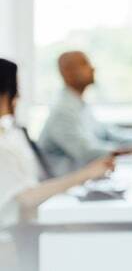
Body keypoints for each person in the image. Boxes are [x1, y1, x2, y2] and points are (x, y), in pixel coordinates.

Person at [0, 58, 114, 270]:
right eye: (16, 87)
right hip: (10, 243)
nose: (20, 95)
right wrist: (86, 174)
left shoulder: (12, 133)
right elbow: (26, 197)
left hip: (25, 232)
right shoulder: (4, 143)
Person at [38, 51, 132, 176]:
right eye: (84, 64)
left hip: (84, 182)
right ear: (67, 73)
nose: (92, 68)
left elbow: (107, 134)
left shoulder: (79, 104)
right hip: (64, 188)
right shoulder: (62, 110)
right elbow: (86, 152)